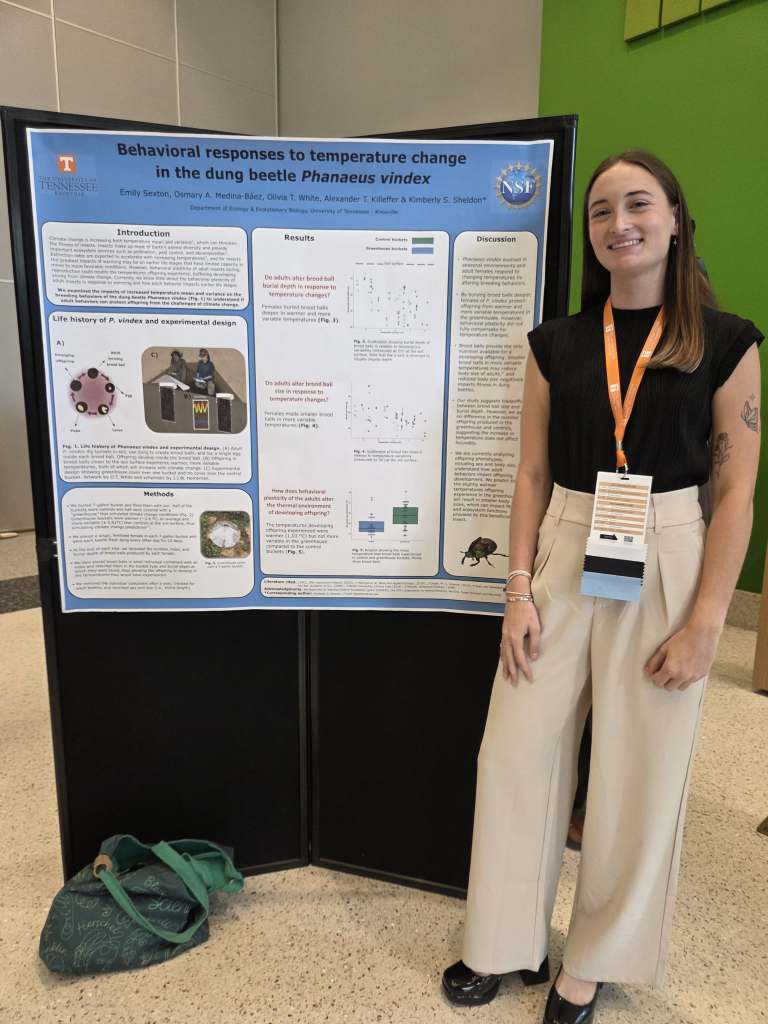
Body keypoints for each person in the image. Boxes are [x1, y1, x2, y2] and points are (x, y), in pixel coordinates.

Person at [441, 150, 762, 1023]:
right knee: (515, 752)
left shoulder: (727, 342)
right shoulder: (558, 344)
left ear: (675, 219)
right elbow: (531, 472)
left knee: (638, 767)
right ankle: (501, 939)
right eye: (602, 211)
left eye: (639, 204)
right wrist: (516, 591)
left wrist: (707, 620)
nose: (620, 223)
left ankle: (594, 960)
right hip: (566, 540)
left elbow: (736, 487)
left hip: (668, 546)